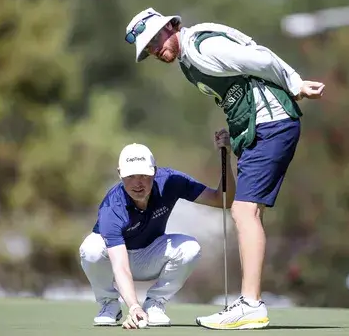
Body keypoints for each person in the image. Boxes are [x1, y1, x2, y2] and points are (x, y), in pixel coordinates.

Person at [124, 8, 326, 330]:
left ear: (170, 27)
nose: (153, 50)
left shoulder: (203, 47)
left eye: (154, 40)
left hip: (272, 124)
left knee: (244, 212)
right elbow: (239, 93)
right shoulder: (188, 63)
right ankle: (249, 303)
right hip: (259, 129)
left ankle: (251, 304)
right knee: (247, 213)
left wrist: (295, 83)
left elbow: (259, 58)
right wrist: (233, 135)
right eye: (148, 50)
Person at [79, 129, 235, 329]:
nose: (138, 183)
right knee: (90, 248)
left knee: (189, 248)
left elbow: (222, 200)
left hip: (150, 256)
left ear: (155, 170)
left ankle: (155, 303)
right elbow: (120, 267)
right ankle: (109, 304)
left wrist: (226, 157)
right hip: (115, 260)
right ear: (120, 174)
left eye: (144, 175)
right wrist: (134, 307)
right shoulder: (112, 208)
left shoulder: (171, 182)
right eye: (131, 176)